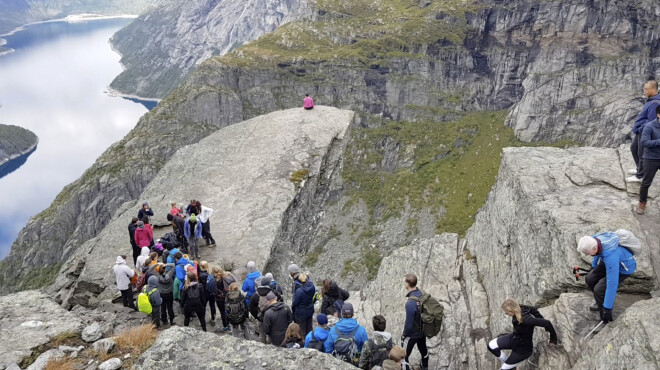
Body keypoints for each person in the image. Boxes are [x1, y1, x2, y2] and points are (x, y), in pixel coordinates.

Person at [577, 232, 637, 322]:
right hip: (608, 260)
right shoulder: (596, 239)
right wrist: (593, 268)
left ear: (594, 248)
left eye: (588, 253)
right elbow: (597, 254)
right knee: (590, 278)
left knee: (599, 289)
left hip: (623, 268)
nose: (587, 255)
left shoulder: (611, 257)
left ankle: (606, 319)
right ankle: (600, 301)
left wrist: (607, 308)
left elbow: (612, 284)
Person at [487, 299, 557, 370]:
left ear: (512, 310)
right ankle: (511, 367)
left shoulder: (527, 320)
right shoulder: (521, 307)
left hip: (522, 350)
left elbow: (547, 323)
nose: (506, 314)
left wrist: (553, 339)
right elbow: (533, 309)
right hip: (514, 338)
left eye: (507, 313)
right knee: (491, 346)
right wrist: (540, 317)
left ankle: (508, 367)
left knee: (504, 369)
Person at [628, 80, 660, 183]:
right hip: (640, 130)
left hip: (644, 132)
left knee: (642, 153)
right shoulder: (651, 100)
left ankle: (640, 176)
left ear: (654, 90)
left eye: (646, 89)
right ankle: (639, 169)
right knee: (634, 148)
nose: (644, 91)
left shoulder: (655, 103)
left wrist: (641, 128)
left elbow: (651, 121)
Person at [636, 105, 660, 214]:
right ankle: (642, 203)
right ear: (658, 115)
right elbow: (644, 142)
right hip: (651, 158)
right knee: (646, 183)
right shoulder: (649, 126)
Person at [402, 274, 428, 370]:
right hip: (422, 331)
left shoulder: (410, 303)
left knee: (403, 356)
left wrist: (404, 336)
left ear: (408, 284)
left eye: (405, 282)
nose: (404, 283)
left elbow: (409, 324)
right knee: (424, 351)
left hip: (412, 334)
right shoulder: (421, 294)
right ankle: (425, 367)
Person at [212, 266, 234, 332]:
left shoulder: (215, 281)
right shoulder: (225, 277)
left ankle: (225, 326)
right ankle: (230, 322)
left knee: (222, 312)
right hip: (227, 297)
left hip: (219, 298)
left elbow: (215, 291)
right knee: (227, 310)